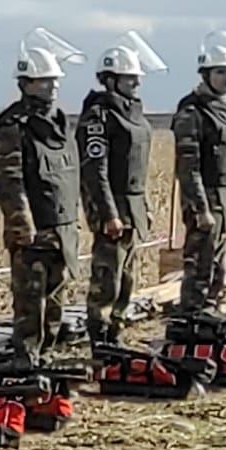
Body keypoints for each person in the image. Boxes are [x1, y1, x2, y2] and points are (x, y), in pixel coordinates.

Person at [0, 29, 82, 365]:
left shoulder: (60, 123)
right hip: (33, 235)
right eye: (45, 81)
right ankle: (26, 361)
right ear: (26, 83)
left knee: (55, 303)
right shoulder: (13, 125)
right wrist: (22, 225)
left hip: (61, 231)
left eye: (55, 81)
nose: (52, 87)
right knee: (30, 306)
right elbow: (8, 181)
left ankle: (46, 357)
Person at [77, 33, 159, 344]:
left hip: (132, 207)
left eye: (136, 79)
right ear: (110, 80)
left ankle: (117, 328)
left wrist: (144, 208)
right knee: (107, 278)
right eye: (129, 79)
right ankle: (100, 336)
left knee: (127, 276)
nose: (136, 84)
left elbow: (139, 168)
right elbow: (95, 171)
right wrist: (109, 214)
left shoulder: (133, 113)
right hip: (112, 209)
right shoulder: (98, 117)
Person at [173, 31, 226, 314]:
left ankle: (208, 319)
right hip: (203, 200)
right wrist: (200, 209)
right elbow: (188, 167)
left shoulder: (223, 112)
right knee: (199, 269)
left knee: (218, 267)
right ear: (205, 74)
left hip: (220, 199)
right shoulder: (192, 112)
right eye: (220, 72)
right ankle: (190, 321)